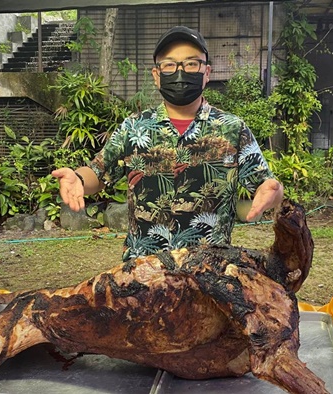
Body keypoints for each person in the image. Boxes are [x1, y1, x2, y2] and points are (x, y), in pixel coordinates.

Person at [52, 26, 283, 261]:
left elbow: (266, 187)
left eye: (192, 64)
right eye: (170, 65)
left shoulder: (232, 128)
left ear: (207, 72)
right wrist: (78, 179)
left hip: (209, 273)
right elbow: (97, 173)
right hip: (143, 273)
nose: (180, 72)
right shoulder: (134, 128)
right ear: (156, 74)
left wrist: (274, 192)